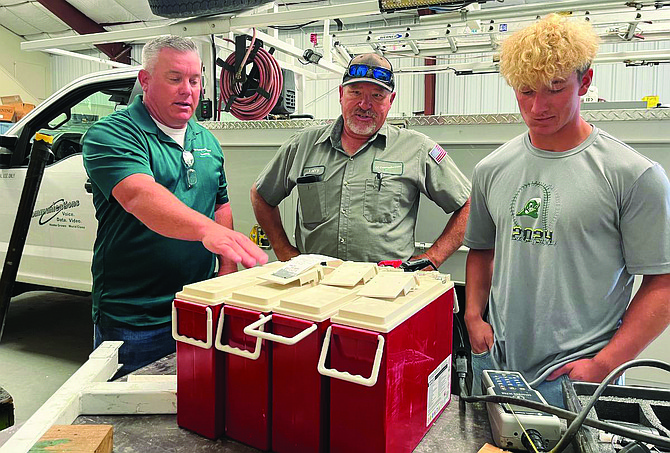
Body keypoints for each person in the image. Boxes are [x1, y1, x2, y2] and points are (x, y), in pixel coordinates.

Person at [464, 14, 670, 407]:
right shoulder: (491, 169)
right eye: (525, 91)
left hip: (581, 377)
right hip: (496, 364)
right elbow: (481, 250)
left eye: (555, 89)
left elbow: (663, 285)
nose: (537, 107)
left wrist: (605, 363)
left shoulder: (634, 175)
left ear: (585, 82)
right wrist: (474, 317)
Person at [82, 35, 268, 377]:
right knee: (130, 420)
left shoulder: (206, 139)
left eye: (195, 80)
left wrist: (224, 275)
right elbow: (140, 196)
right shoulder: (113, 134)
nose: (188, 90)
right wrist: (206, 231)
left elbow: (219, 205)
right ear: (146, 80)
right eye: (175, 79)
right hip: (135, 319)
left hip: (197, 309)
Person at [251, 53, 471, 267]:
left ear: (391, 100)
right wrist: (284, 252)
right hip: (315, 286)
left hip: (386, 291)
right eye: (355, 92)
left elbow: (468, 205)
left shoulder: (418, 148)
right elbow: (261, 195)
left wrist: (433, 258)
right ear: (340, 94)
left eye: (377, 96)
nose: (365, 104)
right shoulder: (303, 145)